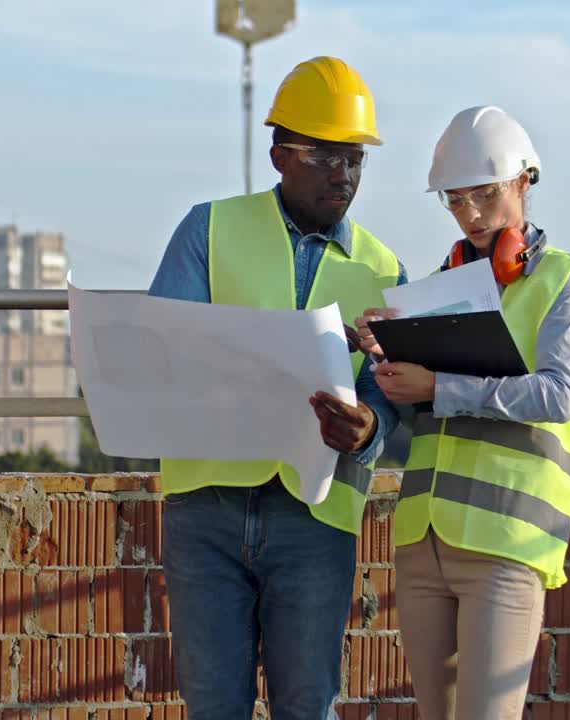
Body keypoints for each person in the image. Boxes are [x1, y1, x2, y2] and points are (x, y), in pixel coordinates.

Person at [148, 56, 407, 720]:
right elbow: (164, 345)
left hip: (315, 519)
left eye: (354, 159)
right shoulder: (208, 229)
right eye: (324, 157)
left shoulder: (384, 269)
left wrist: (370, 430)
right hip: (205, 509)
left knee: (307, 707)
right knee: (215, 707)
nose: (343, 175)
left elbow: (389, 392)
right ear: (278, 156)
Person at [355, 106, 570, 719]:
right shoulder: (439, 288)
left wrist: (439, 385)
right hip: (423, 539)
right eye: (455, 199)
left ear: (524, 181)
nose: (470, 214)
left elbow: (556, 395)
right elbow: (410, 400)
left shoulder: (567, 282)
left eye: (484, 195)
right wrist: (385, 356)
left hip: (507, 539)